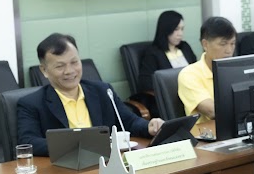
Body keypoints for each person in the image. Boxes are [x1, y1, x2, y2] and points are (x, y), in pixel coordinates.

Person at [19, 32, 162, 155]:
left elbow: (129, 121)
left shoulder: (103, 91)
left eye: (74, 62)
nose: (69, 71)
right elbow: (28, 142)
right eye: (60, 66)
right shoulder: (31, 104)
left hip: (107, 163)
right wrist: (76, 145)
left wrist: (149, 126)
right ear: (44, 70)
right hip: (66, 169)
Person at [177, 16, 238, 139]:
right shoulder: (189, 74)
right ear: (205, 44)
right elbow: (213, 111)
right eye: (223, 44)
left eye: (232, 44)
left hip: (237, 131)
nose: (229, 50)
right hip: (207, 138)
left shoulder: (237, 69)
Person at [136, 10, 197, 110]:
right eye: (176, 29)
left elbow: (196, 70)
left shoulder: (185, 47)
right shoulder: (153, 53)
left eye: (182, 29)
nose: (180, 34)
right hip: (172, 99)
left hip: (193, 93)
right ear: (166, 29)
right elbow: (145, 83)